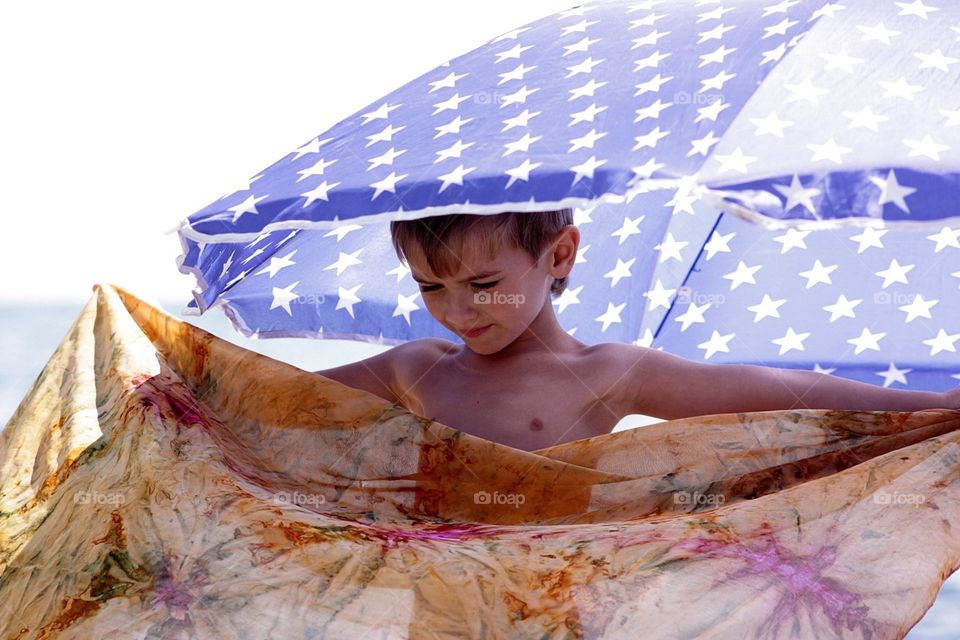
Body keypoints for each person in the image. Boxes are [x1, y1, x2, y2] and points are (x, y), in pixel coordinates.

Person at [315, 208, 959, 452]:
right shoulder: (416, 368)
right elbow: (262, 394)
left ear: (560, 255)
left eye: (484, 285)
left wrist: (932, 406)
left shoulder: (604, 371)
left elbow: (769, 388)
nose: (457, 313)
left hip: (549, 596)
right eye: (431, 287)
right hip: (430, 600)